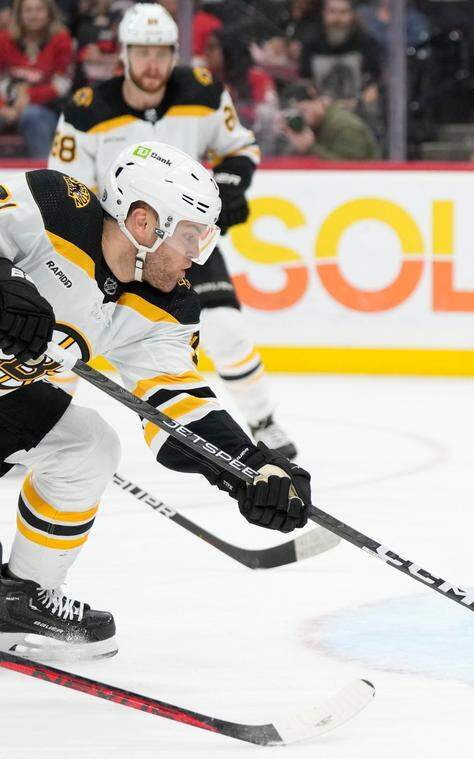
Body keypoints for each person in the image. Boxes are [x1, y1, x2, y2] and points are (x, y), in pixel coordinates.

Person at [0, 140, 312, 659]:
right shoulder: (53, 205)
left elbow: (179, 402)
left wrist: (249, 468)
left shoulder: (164, 304)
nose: (197, 255)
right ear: (143, 223)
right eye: (190, 235)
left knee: (88, 445)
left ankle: (19, 602)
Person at [50, 2, 299, 459]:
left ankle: (264, 421)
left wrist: (231, 185)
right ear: (124, 54)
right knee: (64, 333)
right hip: (114, 247)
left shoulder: (202, 91)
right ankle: (37, 417)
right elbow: (69, 186)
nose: (152, 64)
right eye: (142, 53)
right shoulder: (87, 109)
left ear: (175, 54)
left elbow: (240, 147)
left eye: (162, 53)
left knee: (226, 328)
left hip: (182, 244)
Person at [0, 0, 73, 157]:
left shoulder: (61, 39)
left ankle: (43, 169)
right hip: (8, 105)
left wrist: (29, 96)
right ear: (19, 14)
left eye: (39, 9)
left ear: (49, 13)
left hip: (47, 109)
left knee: (32, 115)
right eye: (28, 10)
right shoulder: (4, 39)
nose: (33, 15)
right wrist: (3, 107)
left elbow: (61, 85)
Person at [276, 79, 380, 159]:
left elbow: (351, 171)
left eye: (303, 110)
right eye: (297, 114)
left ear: (317, 101)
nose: (303, 117)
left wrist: (310, 148)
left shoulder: (343, 125)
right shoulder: (315, 127)